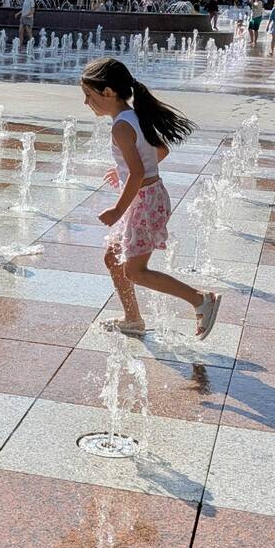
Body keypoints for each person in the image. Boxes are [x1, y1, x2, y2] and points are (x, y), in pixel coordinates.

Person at [80, 56, 221, 341]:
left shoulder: (121, 126)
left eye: (88, 95)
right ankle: (132, 318)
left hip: (142, 203)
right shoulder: (133, 116)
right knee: (113, 258)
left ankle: (201, 299)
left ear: (107, 92)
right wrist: (125, 168)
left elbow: (138, 173)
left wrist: (117, 210)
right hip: (147, 197)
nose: (86, 102)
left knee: (136, 271)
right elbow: (161, 151)